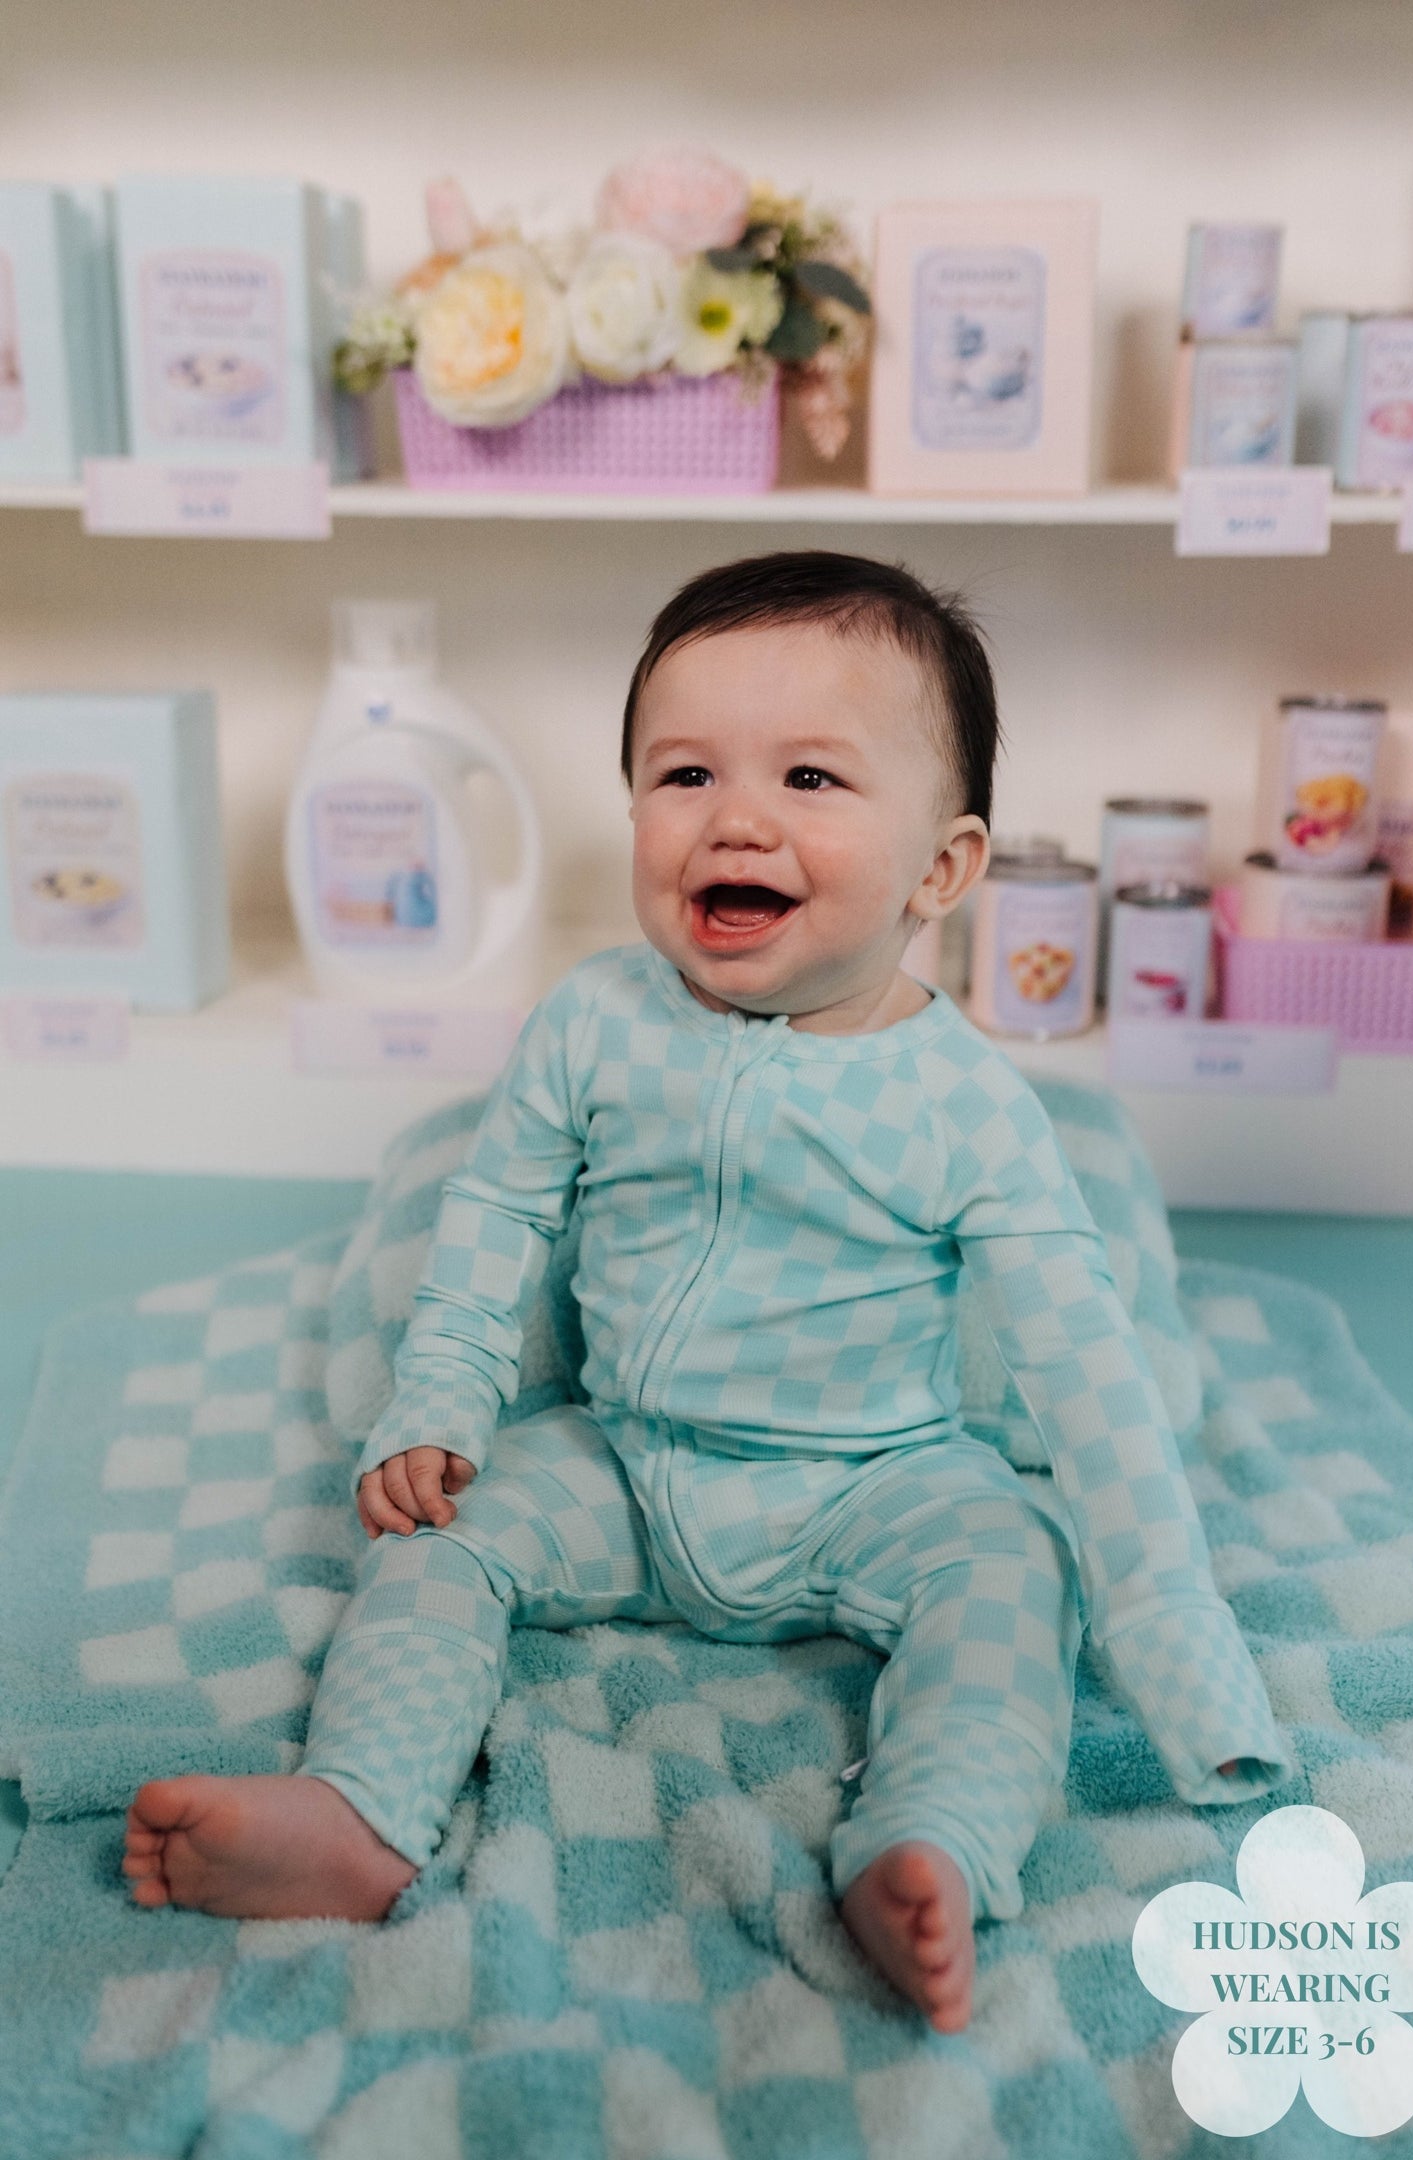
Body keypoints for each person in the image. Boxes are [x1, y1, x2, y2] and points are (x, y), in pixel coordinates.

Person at [122, 550, 1291, 2034]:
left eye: (811, 777)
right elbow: (491, 1222)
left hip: (881, 1479)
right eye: (684, 774)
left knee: (1017, 1572)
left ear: (941, 868)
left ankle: (928, 1844)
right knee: (432, 1539)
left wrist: (1191, 1669)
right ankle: (358, 1813)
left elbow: (1090, 1379)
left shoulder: (969, 1110)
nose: (735, 817)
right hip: (624, 1459)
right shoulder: (595, 1025)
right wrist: (437, 1404)